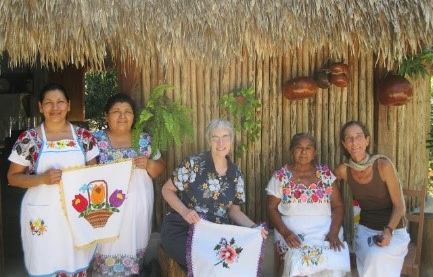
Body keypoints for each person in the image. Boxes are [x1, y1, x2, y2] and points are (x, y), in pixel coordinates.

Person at [7, 83, 100, 277]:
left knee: (75, 260)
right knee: (44, 262)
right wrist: (41, 179)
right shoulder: (29, 139)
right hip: (43, 215)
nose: (54, 108)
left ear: (68, 105)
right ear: (40, 107)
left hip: (76, 213)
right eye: (48, 103)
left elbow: (94, 175)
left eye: (60, 102)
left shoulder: (83, 137)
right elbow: (12, 177)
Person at [160, 118, 267, 271]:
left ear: (231, 140)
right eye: (215, 138)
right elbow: (166, 190)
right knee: (209, 264)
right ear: (209, 141)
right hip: (183, 229)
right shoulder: (193, 163)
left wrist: (254, 227)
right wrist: (185, 211)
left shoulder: (236, 175)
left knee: (235, 268)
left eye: (225, 138)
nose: (220, 143)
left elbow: (234, 211)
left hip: (214, 236)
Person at [91, 92, 165, 276]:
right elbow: (86, 173)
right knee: (106, 247)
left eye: (127, 112)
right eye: (116, 111)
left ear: (134, 116)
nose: (122, 116)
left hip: (137, 208)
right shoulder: (94, 141)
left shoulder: (144, 140)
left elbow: (159, 169)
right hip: (106, 210)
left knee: (135, 247)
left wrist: (148, 163)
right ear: (106, 116)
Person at [266, 133, 350, 277]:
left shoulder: (326, 174)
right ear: (291, 151)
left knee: (331, 267)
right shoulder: (280, 176)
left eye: (308, 148)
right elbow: (271, 208)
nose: (303, 152)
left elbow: (338, 206)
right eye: (299, 147)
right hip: (292, 233)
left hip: (325, 232)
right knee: (299, 262)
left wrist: (334, 232)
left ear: (314, 152)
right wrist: (286, 233)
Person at [334, 121, 410, 276]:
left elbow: (399, 206)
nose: (354, 143)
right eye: (349, 138)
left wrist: (388, 231)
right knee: (371, 258)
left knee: (377, 257)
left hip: (394, 231)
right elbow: (327, 188)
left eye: (359, 137)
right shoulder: (343, 170)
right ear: (344, 144)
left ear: (367, 141)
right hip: (365, 230)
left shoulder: (382, 165)